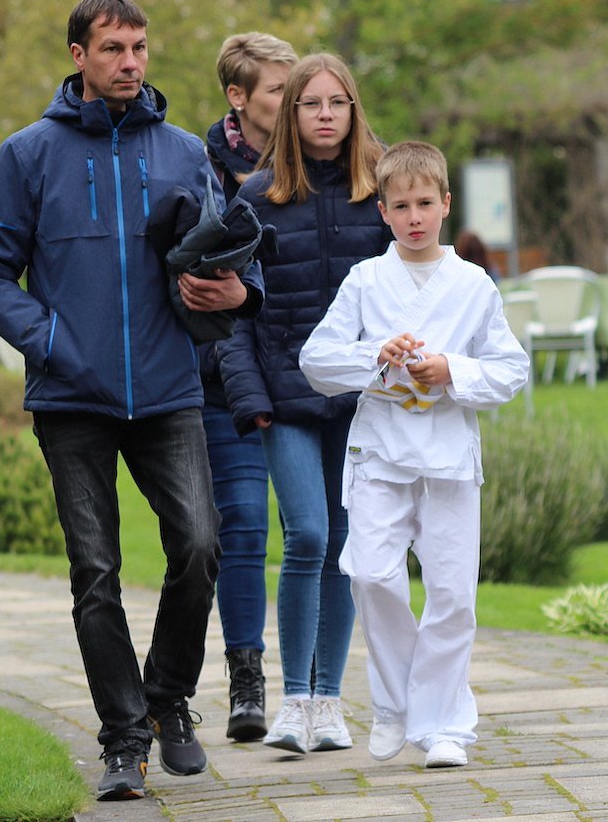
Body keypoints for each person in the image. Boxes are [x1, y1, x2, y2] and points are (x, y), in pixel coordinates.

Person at [0, 0, 263, 802]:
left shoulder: (184, 153)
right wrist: (56, 342)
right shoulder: (26, 155)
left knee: (199, 544)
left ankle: (167, 697)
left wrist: (237, 292)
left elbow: (234, 256)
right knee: (95, 570)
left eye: (139, 48)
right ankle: (124, 739)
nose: (130, 63)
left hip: (168, 390)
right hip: (72, 400)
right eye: (113, 49)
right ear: (79, 56)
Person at [298, 141, 529, 768]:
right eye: (401, 206)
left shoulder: (473, 284)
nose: (415, 217)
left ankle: (445, 725)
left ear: (446, 204)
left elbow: (511, 369)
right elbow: (316, 360)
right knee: (371, 575)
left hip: (449, 455)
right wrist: (376, 355)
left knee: (451, 592)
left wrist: (452, 369)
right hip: (380, 452)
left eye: (425, 203)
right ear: (383, 211)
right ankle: (397, 703)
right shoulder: (365, 280)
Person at [219, 52, 392, 755]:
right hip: (284, 400)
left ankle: (329, 702)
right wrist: (250, 396)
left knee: (344, 548)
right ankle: (294, 700)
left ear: (354, 111)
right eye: (311, 103)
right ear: (290, 113)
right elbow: (231, 313)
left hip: (361, 403)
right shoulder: (257, 199)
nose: (325, 115)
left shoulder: (380, 194)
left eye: (337, 102)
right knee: (309, 537)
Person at [202, 32, 298, 743]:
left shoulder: (323, 163)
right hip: (222, 376)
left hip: (301, 374)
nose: (294, 101)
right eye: (278, 89)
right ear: (238, 97)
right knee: (240, 522)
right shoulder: (199, 168)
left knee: (313, 528)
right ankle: (246, 679)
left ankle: (314, 685)